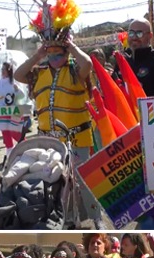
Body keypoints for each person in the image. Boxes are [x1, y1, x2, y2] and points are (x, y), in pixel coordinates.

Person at [15, 19, 94, 157]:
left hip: (76, 142)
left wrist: (71, 47)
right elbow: (17, 75)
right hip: (48, 143)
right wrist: (37, 56)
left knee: (76, 178)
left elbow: (87, 63)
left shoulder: (75, 71)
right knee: (52, 178)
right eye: (49, 52)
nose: (53, 56)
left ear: (66, 53)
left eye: (57, 52)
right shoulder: (39, 73)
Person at [0, 62, 25, 153]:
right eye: (1, 69)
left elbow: (22, 96)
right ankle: (9, 152)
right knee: (5, 133)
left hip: (14, 110)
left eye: (4, 69)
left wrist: (17, 90)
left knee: (15, 132)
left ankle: (25, 147)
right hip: (3, 110)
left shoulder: (14, 82)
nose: (2, 71)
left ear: (9, 71)